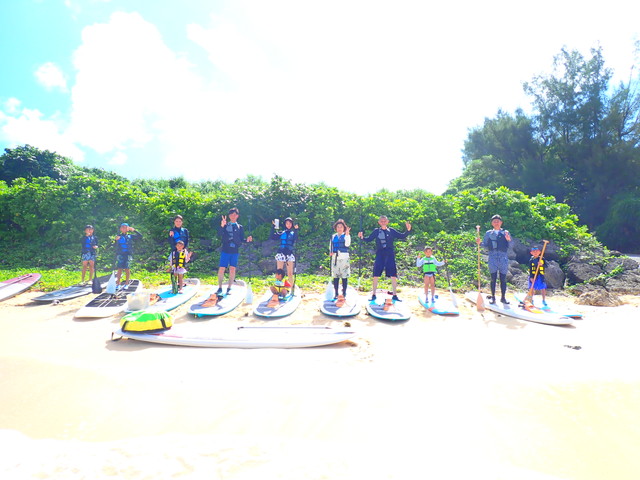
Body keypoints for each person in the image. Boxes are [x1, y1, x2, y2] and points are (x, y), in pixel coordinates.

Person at [358, 215, 412, 301]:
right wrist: (362, 237)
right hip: (380, 255)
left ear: (387, 222)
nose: (383, 222)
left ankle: (395, 295)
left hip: (390, 255)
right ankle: (374, 294)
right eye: (381, 221)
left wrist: (408, 230)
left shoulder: (391, 231)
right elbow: (368, 239)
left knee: (393, 275)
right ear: (379, 222)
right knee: (376, 274)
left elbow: (402, 236)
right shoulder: (376, 231)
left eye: (385, 221)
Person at [476, 214, 512, 304]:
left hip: (503, 257)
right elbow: (485, 245)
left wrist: (508, 240)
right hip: (492, 257)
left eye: (498, 221)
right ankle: (493, 297)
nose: (496, 223)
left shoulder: (505, 232)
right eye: (494, 221)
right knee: (493, 278)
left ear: (501, 223)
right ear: (492, 223)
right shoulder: (488, 233)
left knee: (503, 278)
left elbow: (510, 246)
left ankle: (503, 298)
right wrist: (479, 243)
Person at [216, 207, 252, 294]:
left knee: (232, 268)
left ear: (237, 216)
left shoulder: (240, 227)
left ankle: (229, 287)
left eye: (235, 214)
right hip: (225, 249)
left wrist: (247, 240)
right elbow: (219, 235)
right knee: (222, 268)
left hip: (235, 250)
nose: (233, 216)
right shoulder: (225, 225)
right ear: (229, 216)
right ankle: (220, 287)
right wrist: (222, 226)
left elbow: (241, 239)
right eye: (231, 214)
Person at [330, 219, 351, 307]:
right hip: (335, 258)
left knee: (344, 275)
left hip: (344, 258)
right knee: (335, 276)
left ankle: (344, 292)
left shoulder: (346, 235)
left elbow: (347, 244)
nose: (339, 228)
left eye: (341, 227)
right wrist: (331, 252)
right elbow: (331, 246)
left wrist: (347, 235)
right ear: (336, 228)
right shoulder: (333, 236)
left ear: (344, 228)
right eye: (338, 227)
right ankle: (336, 292)